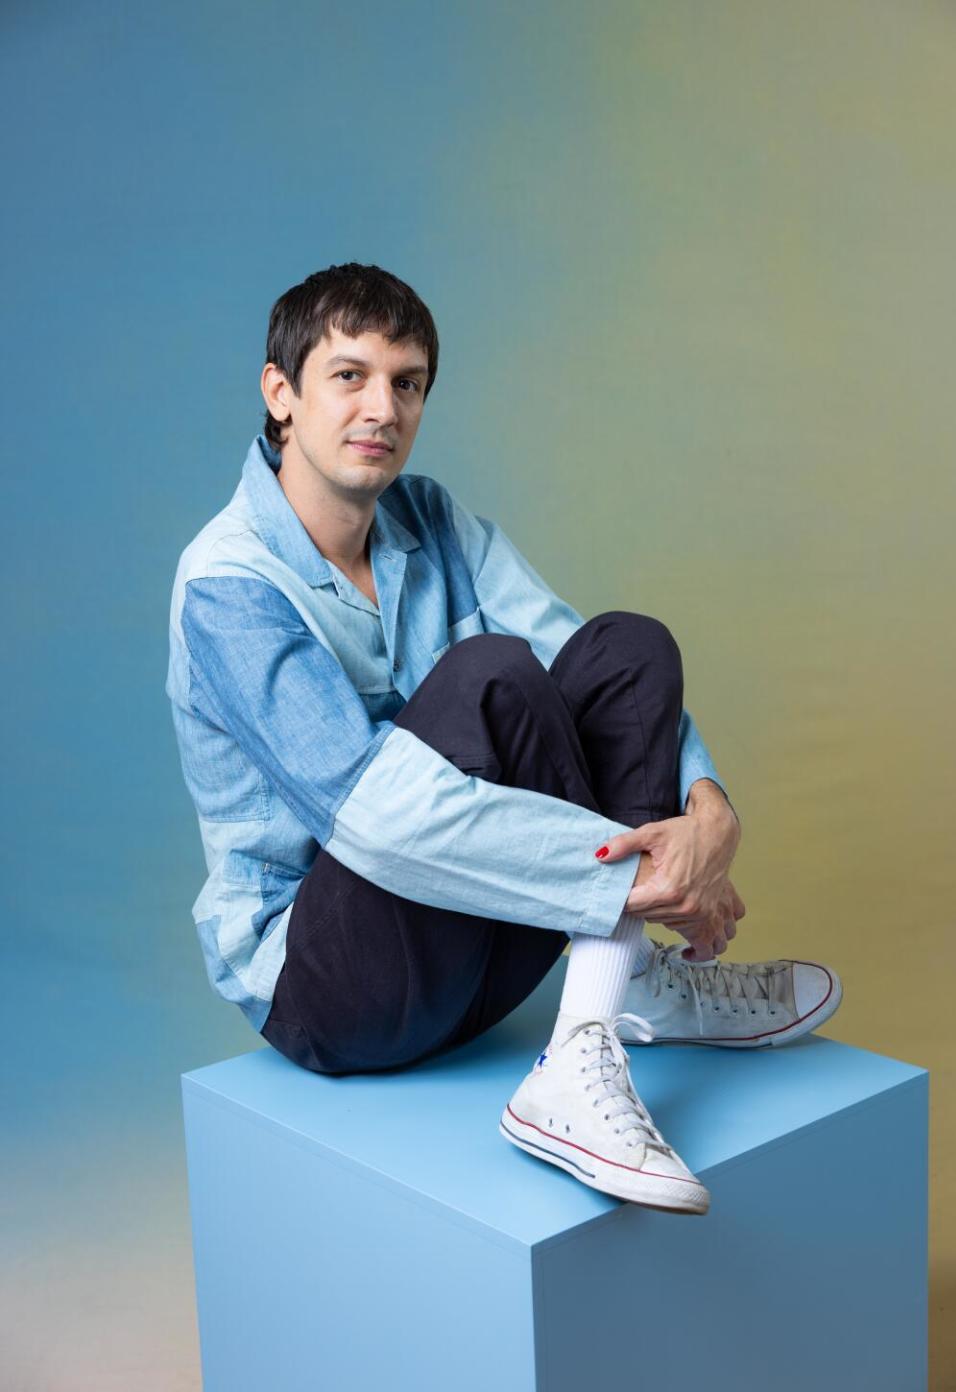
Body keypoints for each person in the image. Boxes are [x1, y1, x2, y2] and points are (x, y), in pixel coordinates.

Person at [166, 262, 842, 1215]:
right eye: (349, 376)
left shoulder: (430, 518)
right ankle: (622, 966)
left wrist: (707, 808)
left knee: (629, 647)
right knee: (492, 674)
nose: (382, 409)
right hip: (336, 994)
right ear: (281, 393)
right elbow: (379, 822)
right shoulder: (227, 587)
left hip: (476, 950)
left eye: (407, 383)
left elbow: (585, 660)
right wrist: (643, 879)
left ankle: (610, 1005)